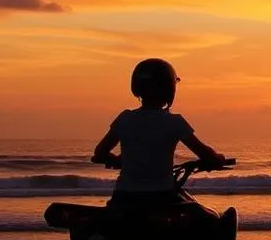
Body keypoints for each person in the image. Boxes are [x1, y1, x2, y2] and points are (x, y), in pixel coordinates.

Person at [91, 58, 227, 211]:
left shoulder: (125, 118)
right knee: (208, 218)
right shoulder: (174, 122)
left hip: (123, 197)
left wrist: (118, 161)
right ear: (170, 89)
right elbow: (204, 152)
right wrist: (217, 159)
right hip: (161, 198)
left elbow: (100, 152)